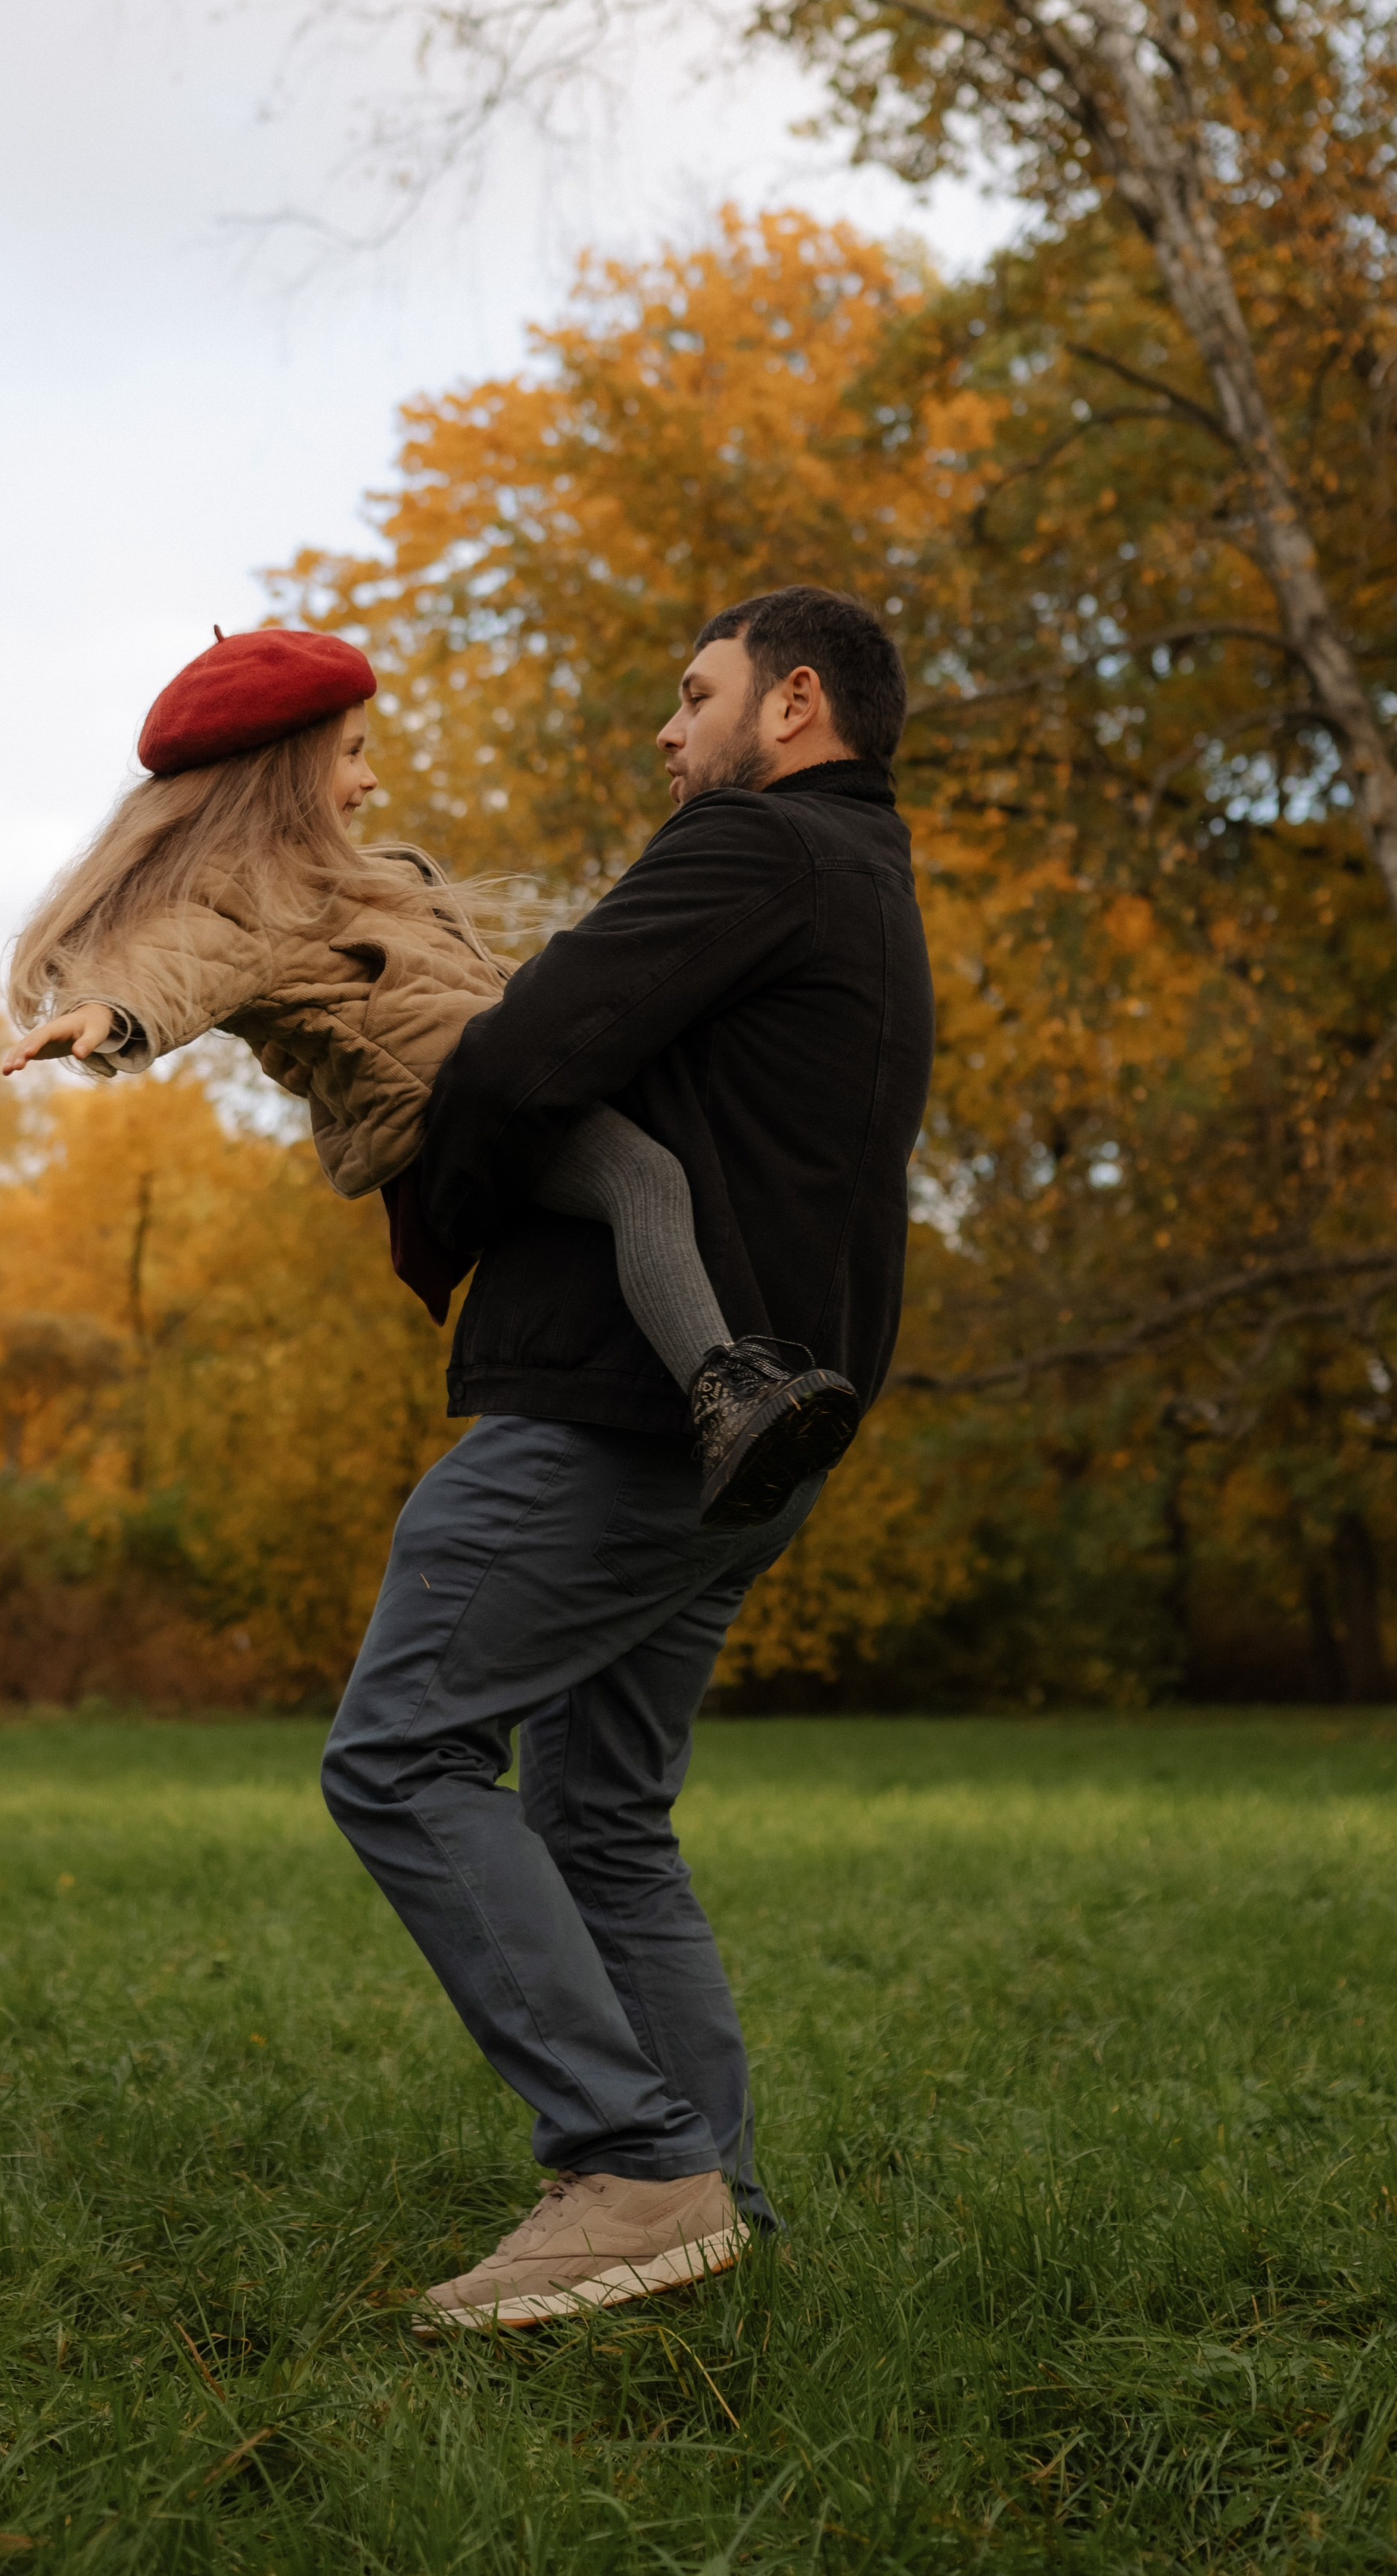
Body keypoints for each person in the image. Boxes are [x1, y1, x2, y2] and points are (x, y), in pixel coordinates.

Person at [319, 582, 935, 2334]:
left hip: (623, 1416)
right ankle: (702, 2204)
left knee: (400, 1751)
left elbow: (520, 1055)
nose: (669, 736)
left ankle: (624, 2162)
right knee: (597, 1810)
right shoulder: (864, 882)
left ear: (792, 706)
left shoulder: (754, 849)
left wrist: (429, 1190)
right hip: (754, 1432)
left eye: (694, 696)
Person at [0, 625, 859, 1527]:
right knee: (641, 1178)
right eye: (352, 756)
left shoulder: (347, 881)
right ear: (283, 771)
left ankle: (722, 1375)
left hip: (498, 1082)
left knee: (661, 1145)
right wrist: (111, 1013)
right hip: (455, 1110)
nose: (370, 780)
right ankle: (722, 1392)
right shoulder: (245, 897)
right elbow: (173, 957)